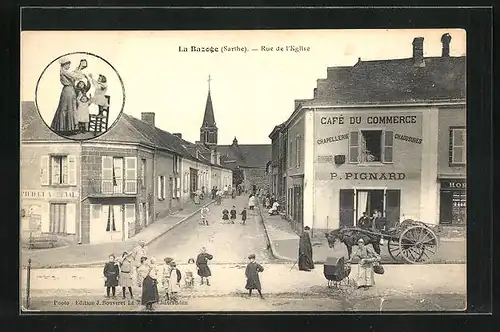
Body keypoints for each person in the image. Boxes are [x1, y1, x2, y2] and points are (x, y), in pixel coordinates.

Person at [50, 57, 81, 134]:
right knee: (67, 108)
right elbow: (76, 77)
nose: (69, 66)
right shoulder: (64, 71)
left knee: (70, 108)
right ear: (65, 64)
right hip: (68, 91)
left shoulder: (64, 71)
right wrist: (79, 71)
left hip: (69, 90)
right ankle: (65, 129)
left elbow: (73, 75)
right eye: (68, 65)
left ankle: (68, 128)